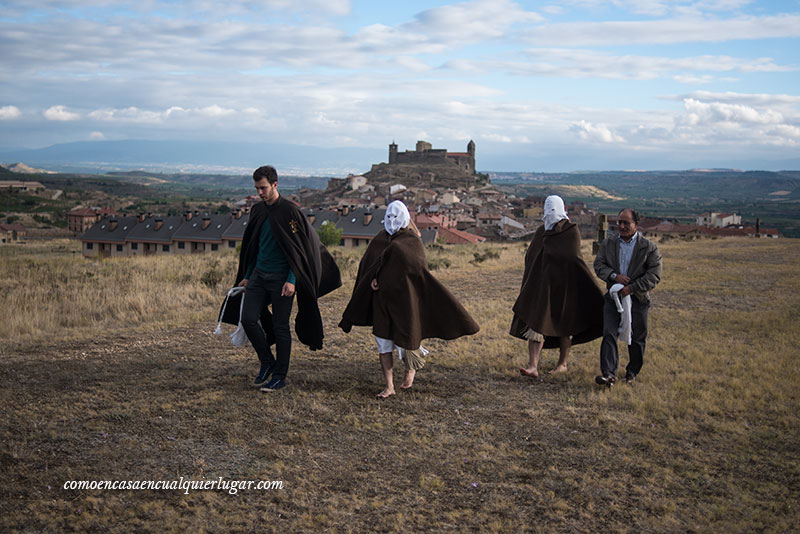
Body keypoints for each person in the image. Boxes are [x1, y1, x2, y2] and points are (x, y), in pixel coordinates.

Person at [339, 200, 480, 398]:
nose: (392, 221)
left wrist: (385, 278)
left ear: (405, 219)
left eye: (396, 217)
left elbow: (415, 268)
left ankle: (410, 369)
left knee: (407, 340)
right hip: (382, 301)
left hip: (405, 300)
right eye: (389, 216)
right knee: (383, 344)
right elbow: (369, 265)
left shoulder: (412, 241)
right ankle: (389, 386)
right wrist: (372, 280)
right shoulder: (380, 239)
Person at [222, 165, 341, 392]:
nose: (259, 193)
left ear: (275, 185)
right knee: (248, 318)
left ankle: (280, 376)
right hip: (258, 275)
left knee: (280, 326)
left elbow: (299, 251)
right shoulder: (258, 211)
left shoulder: (289, 212)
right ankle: (267, 362)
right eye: (257, 188)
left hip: (281, 279)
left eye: (263, 188)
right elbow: (254, 247)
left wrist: (292, 279)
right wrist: (247, 276)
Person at [510, 195, 604, 378]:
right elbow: (531, 257)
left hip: (566, 285)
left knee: (567, 324)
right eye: (548, 209)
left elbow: (573, 258)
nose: (551, 213)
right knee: (536, 324)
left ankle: (563, 364)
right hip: (542, 287)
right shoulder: (541, 232)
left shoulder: (571, 231)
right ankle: (533, 366)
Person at [593, 208, 662, 385]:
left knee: (638, 336)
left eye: (626, 223)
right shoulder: (609, 244)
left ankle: (632, 372)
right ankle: (609, 374)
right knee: (609, 333)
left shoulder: (648, 248)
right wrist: (614, 276)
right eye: (619, 222)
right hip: (613, 297)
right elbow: (599, 264)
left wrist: (632, 288)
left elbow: (654, 275)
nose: (621, 226)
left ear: (636, 224)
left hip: (638, 299)